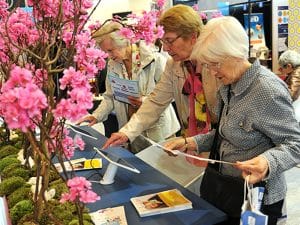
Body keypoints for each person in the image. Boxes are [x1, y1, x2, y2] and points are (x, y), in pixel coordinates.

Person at [163, 16, 300, 225]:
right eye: (207, 65)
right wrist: (191, 142)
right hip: (225, 189)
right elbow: (225, 133)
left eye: (215, 64)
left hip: (256, 199)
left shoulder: (267, 91)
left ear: (236, 54)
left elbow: (295, 144)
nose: (212, 71)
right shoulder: (228, 84)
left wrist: (267, 162)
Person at [102, 5, 220, 161]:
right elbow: (155, 102)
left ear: (193, 36)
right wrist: (127, 132)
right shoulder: (174, 65)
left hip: (222, 149)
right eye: (163, 41)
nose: (165, 48)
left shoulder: (218, 65)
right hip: (191, 145)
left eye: (169, 41)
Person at [77, 21, 180, 152]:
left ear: (124, 43)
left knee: (161, 169)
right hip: (130, 130)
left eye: (110, 50)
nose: (109, 55)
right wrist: (96, 116)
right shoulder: (113, 64)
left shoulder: (155, 60)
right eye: (105, 52)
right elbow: (109, 97)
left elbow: (171, 95)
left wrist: (145, 101)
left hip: (159, 132)